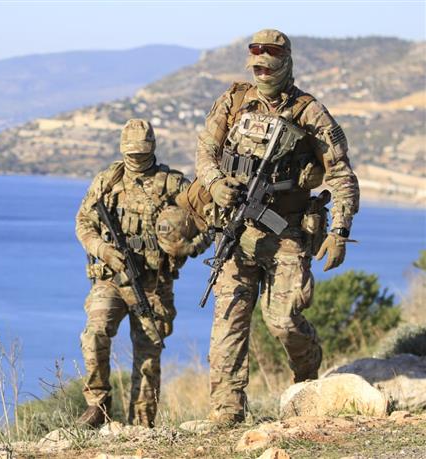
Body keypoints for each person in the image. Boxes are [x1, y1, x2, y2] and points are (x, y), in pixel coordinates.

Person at [195, 29, 360, 425]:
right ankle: (227, 412)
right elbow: (205, 152)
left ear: (286, 61)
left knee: (283, 322)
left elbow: (341, 175)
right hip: (237, 230)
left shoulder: (309, 112)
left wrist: (339, 231)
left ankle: (307, 376)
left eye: (270, 61)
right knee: (228, 324)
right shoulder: (233, 102)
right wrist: (215, 184)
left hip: (286, 232)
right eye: (257, 62)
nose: (263, 68)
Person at [75, 119, 209, 428]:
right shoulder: (107, 181)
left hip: (153, 283)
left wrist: (188, 248)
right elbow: (83, 222)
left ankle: (141, 426)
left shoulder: (173, 184)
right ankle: (98, 403)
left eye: (141, 153)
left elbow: (209, 221)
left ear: (152, 149)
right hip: (112, 277)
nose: (136, 159)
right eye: (131, 153)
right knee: (95, 333)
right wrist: (102, 249)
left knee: (148, 355)